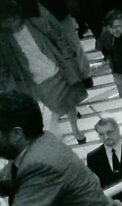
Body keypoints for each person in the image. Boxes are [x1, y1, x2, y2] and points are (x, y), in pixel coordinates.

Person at [0, 7, 90, 144]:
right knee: (55, 108)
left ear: (16, 17)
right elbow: (4, 65)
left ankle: (74, 129)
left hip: (55, 70)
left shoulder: (36, 23)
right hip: (37, 80)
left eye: (11, 20)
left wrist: (67, 57)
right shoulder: (5, 39)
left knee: (69, 101)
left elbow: (58, 37)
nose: (10, 24)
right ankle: (60, 135)